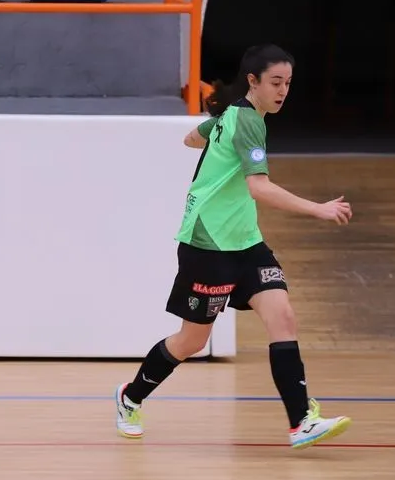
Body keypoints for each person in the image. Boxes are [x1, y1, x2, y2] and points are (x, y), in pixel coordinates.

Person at [114, 44, 353, 449]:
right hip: (208, 244)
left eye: (288, 83)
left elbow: (190, 138)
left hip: (246, 242)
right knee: (192, 341)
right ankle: (130, 397)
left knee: (282, 317)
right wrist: (318, 209)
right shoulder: (246, 121)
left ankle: (300, 422)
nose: (283, 91)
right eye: (275, 82)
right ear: (253, 82)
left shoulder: (236, 116)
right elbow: (259, 187)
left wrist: (218, 132)